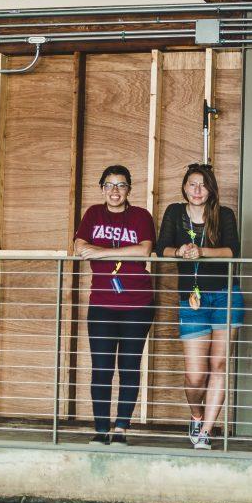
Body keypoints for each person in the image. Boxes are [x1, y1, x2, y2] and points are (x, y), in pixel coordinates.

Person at [155, 163, 242, 451]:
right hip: (192, 299)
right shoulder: (174, 213)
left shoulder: (224, 214)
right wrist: (179, 251)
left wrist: (201, 252)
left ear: (211, 189)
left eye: (203, 185)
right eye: (192, 184)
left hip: (225, 295)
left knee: (218, 365)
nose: (197, 190)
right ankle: (196, 415)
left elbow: (232, 251)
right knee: (195, 375)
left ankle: (205, 432)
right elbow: (161, 248)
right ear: (184, 187)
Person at [73, 165, 156, 446]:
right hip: (102, 304)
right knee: (101, 368)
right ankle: (101, 429)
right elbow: (79, 247)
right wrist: (111, 252)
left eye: (121, 185)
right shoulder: (93, 214)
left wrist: (102, 252)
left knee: (129, 366)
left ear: (129, 189)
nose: (115, 191)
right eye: (109, 185)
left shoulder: (141, 216)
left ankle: (121, 428)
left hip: (138, 303)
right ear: (102, 188)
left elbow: (144, 250)